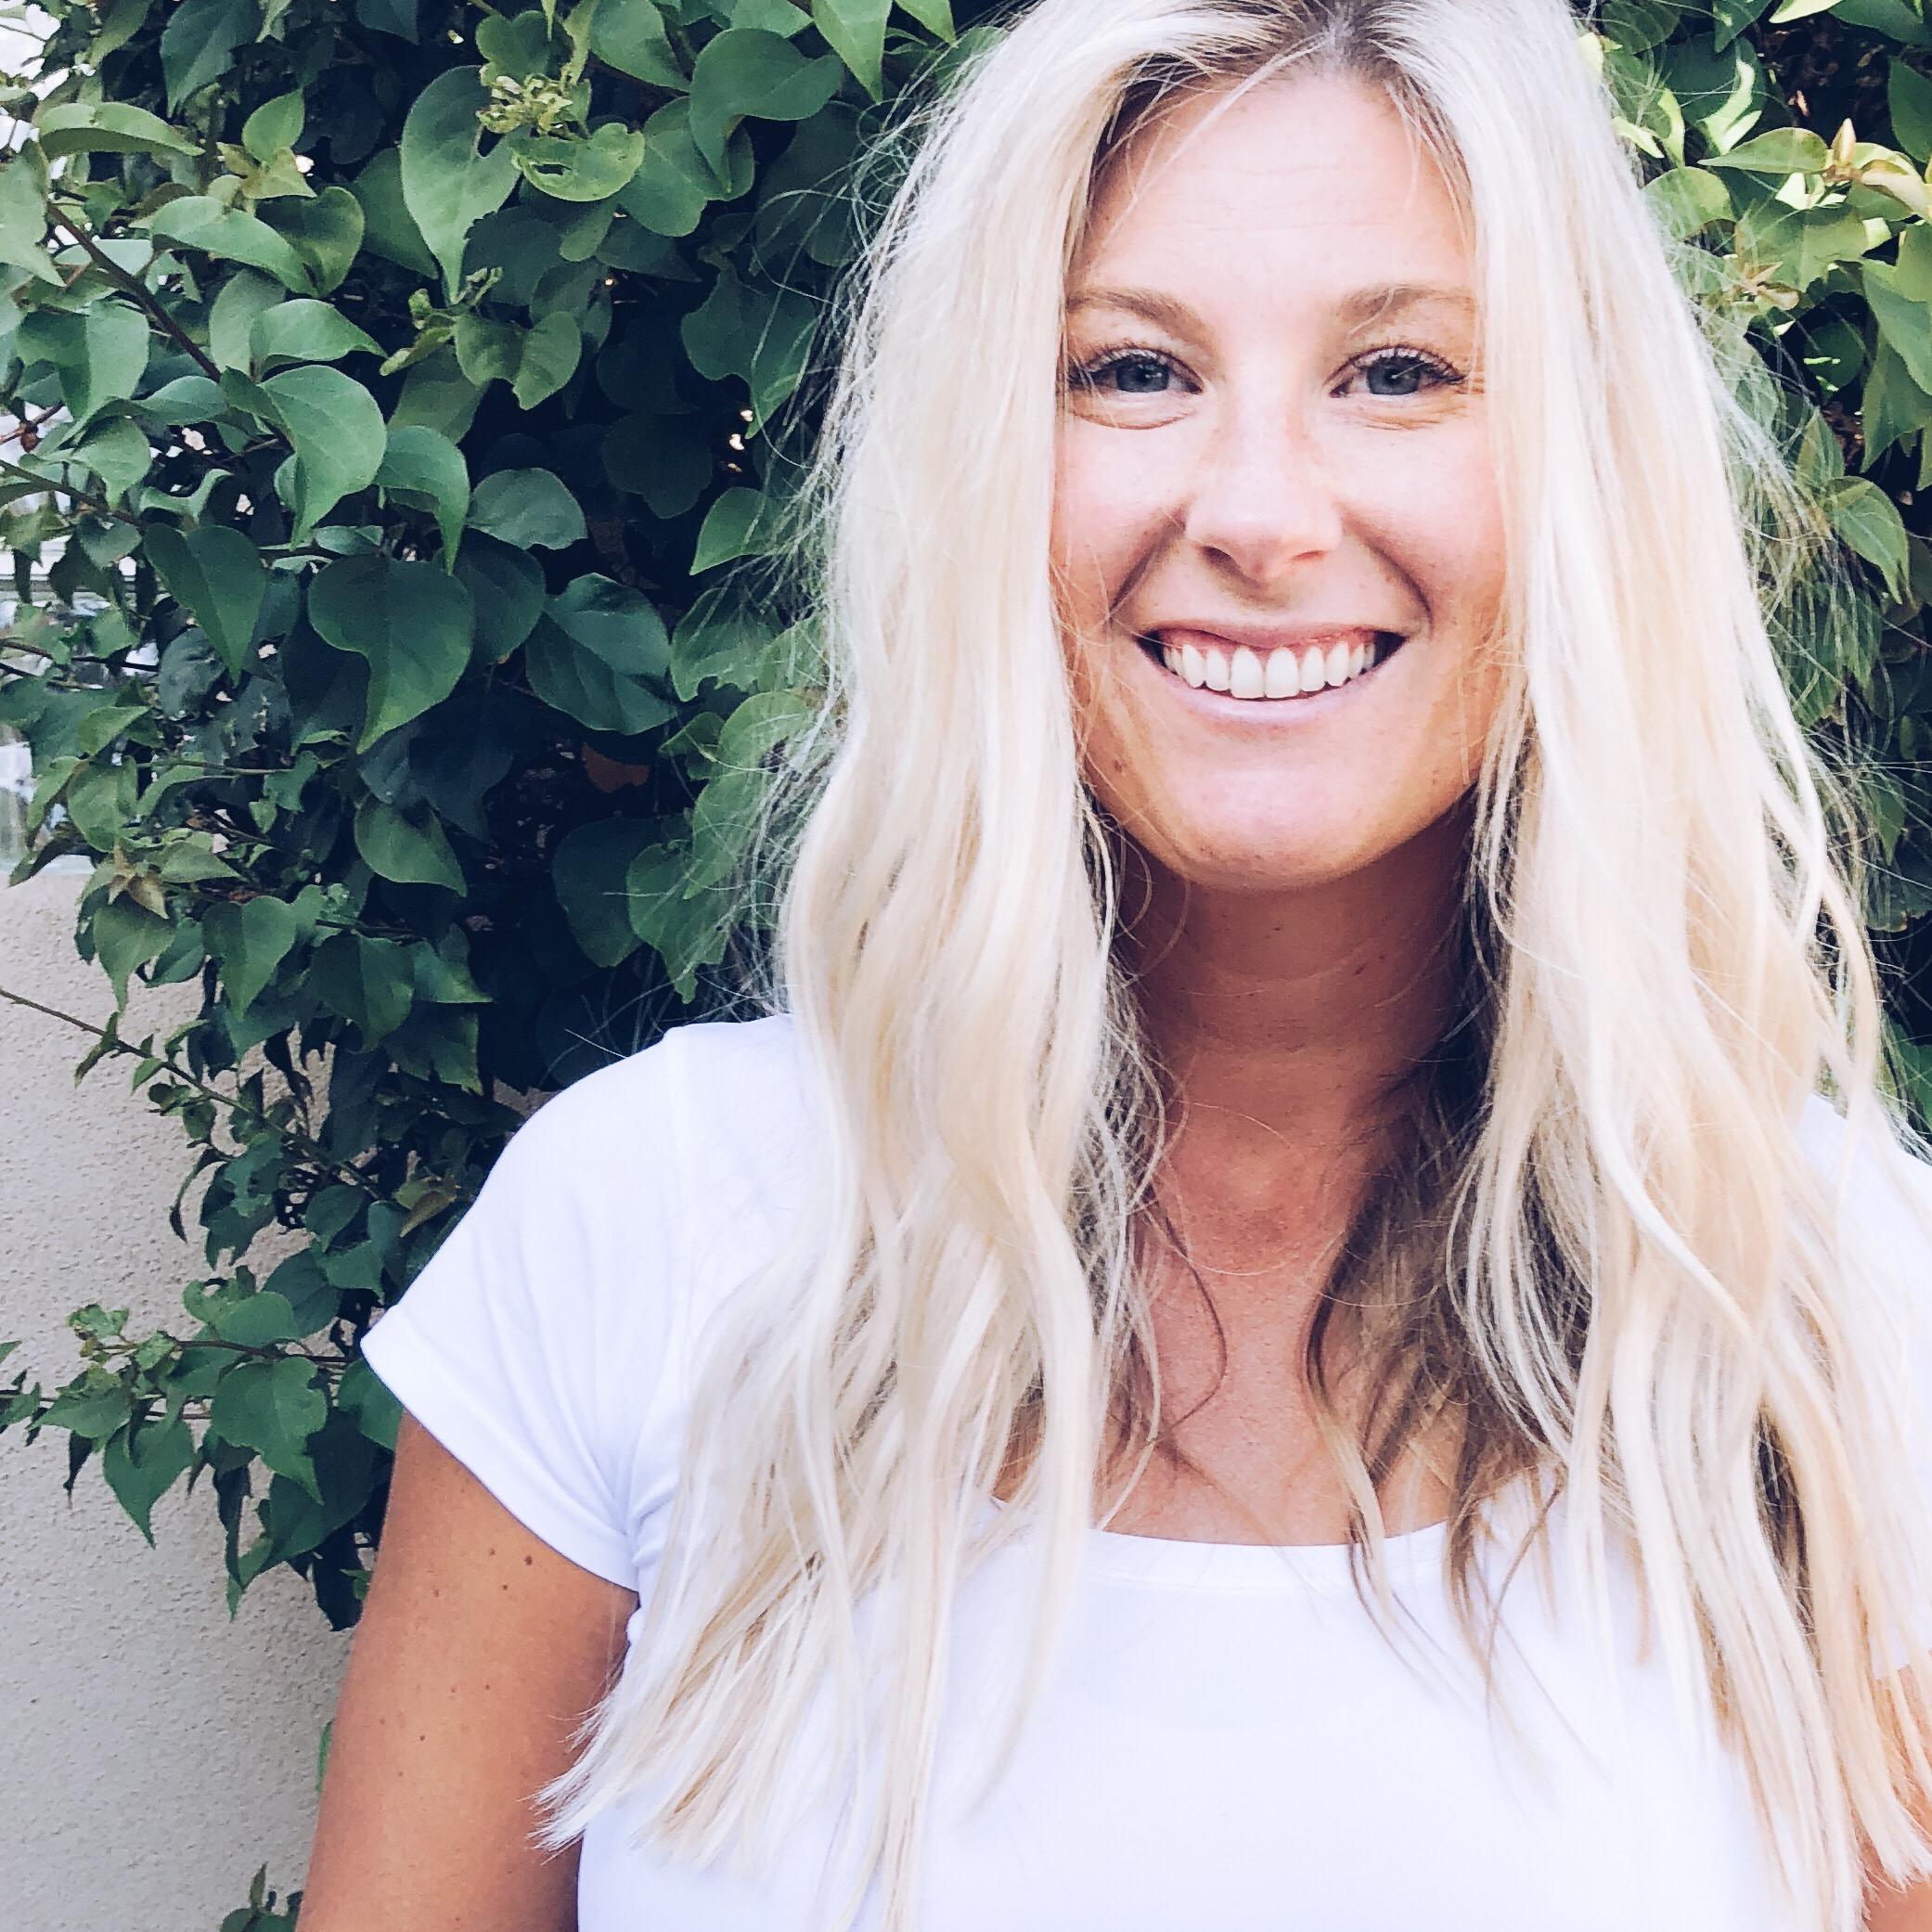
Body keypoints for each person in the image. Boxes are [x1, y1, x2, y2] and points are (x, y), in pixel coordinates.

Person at [298, 2, 1932, 1928]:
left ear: (1587, 469)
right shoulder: (648, 1230)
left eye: (1400, 371)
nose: (1256, 515)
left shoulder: (1832, 1303)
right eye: (1132, 370)